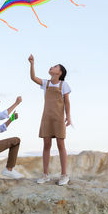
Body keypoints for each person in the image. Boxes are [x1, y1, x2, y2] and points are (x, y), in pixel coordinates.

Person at [28, 54, 72, 186]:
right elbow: (33, 78)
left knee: (60, 145)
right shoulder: (46, 83)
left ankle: (64, 175)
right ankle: (45, 174)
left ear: (60, 72)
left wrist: (68, 116)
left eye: (55, 66)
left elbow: (67, 102)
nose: (52, 67)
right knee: (46, 145)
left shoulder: (63, 84)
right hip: (46, 118)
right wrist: (32, 64)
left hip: (58, 118)